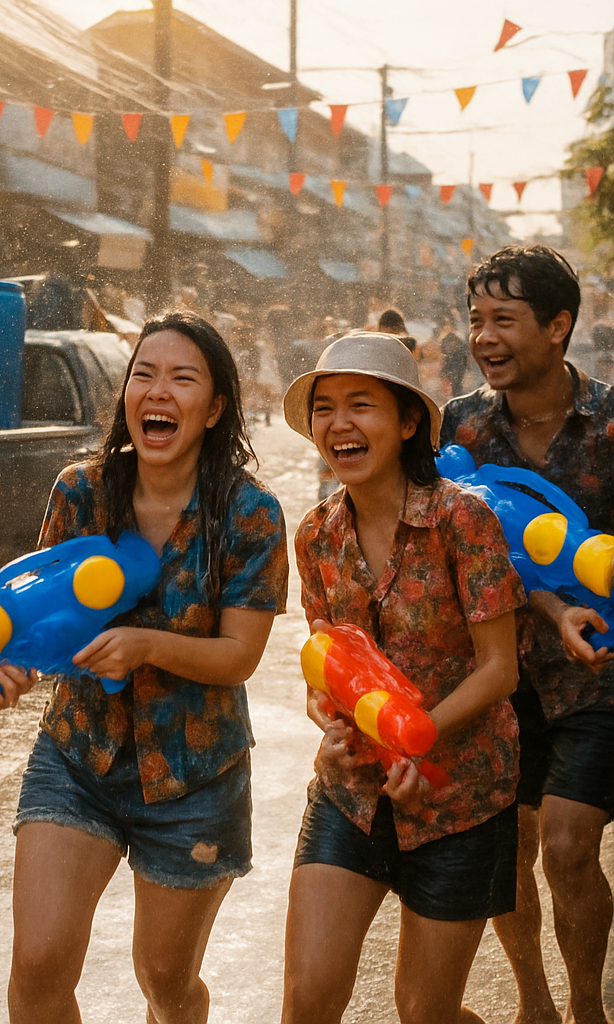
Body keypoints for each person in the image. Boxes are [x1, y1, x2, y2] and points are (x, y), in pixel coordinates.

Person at [3, 310, 289, 1024]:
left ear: (214, 408)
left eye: (182, 378)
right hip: (78, 757)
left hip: (195, 779)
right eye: (144, 374)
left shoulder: (249, 513)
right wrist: (11, 667)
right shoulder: (81, 492)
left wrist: (146, 646)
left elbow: (239, 656)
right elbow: (40, 621)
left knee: (166, 982)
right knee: (38, 964)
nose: (158, 391)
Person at [280, 331, 523, 1024]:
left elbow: (500, 669)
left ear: (408, 420)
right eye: (325, 408)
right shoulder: (316, 535)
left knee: (424, 1013)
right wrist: (327, 721)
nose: (340, 424)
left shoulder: (462, 519)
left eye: (362, 405)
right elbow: (325, 667)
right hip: (352, 795)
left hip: (462, 801)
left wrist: (419, 737)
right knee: (307, 1001)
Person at [441, 244, 614, 1024]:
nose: (484, 337)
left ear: (557, 325)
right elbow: (454, 553)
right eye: (476, 319)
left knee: (569, 847)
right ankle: (534, 1002)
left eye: (503, 320)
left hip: (599, 676)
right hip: (497, 673)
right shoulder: (461, 425)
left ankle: (587, 1008)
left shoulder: (610, 423)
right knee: (507, 846)